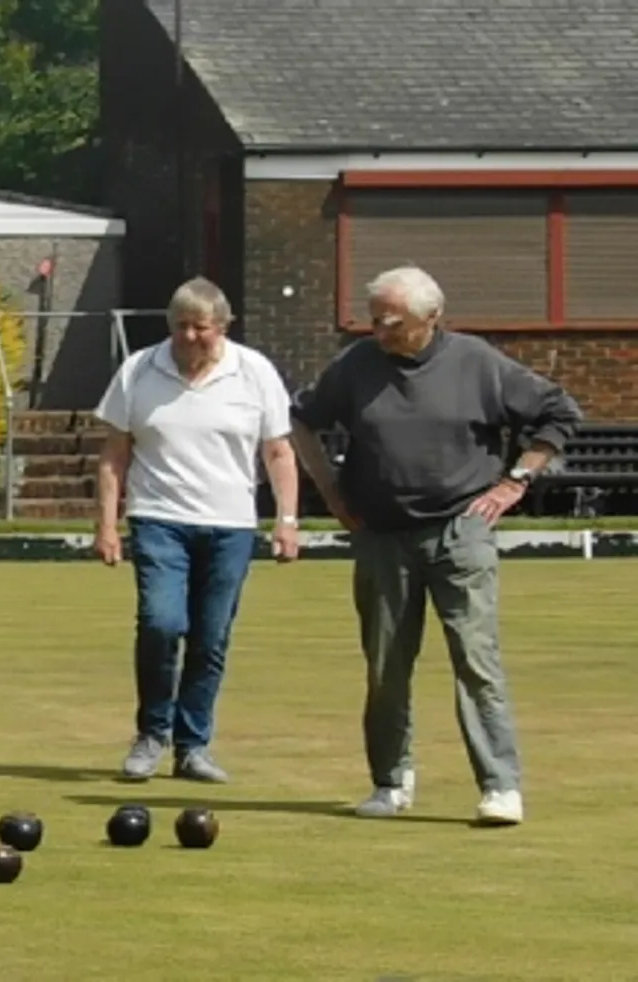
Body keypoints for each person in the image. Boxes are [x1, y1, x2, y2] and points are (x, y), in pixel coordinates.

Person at [289, 265, 580, 826]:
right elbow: (301, 419)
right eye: (373, 320)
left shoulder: (478, 363)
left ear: (431, 318)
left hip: (460, 528)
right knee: (385, 665)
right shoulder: (355, 366)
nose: (379, 331)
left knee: (476, 659)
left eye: (391, 322)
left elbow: (558, 412)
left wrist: (515, 479)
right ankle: (391, 780)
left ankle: (501, 786)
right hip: (379, 532)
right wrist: (327, 488)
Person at [93, 277, 301, 784]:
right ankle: (150, 735)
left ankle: (193, 746)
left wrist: (287, 520)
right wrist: (107, 525)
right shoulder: (139, 370)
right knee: (162, 624)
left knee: (210, 638)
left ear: (223, 327)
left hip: (229, 525)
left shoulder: (254, 372)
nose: (189, 338)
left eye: (200, 328)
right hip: (159, 519)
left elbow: (277, 451)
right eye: (180, 327)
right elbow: (114, 455)